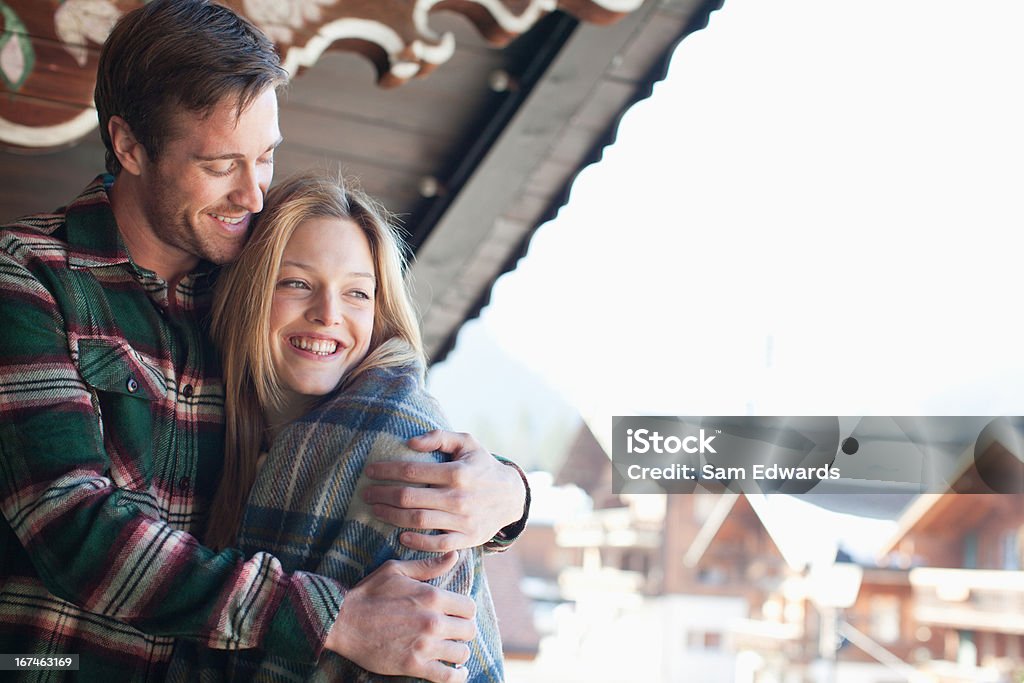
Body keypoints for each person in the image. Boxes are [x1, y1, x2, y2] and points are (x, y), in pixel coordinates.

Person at [0, 1, 528, 681]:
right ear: (129, 146)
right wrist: (330, 617)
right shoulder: (29, 276)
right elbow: (69, 522)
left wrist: (509, 494)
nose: (252, 195)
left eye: (266, 157)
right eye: (221, 165)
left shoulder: (257, 290)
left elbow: (376, 411)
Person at [169, 170, 505, 681]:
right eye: (298, 283)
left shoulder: (401, 446)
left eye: (356, 294)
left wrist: (514, 493)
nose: (328, 314)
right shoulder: (213, 417)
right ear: (249, 290)